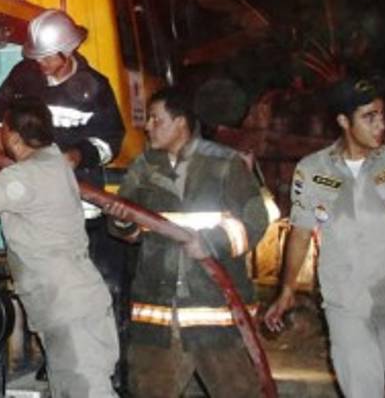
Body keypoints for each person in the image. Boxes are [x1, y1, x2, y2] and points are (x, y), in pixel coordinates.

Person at [0, 9, 128, 384]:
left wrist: (76, 156)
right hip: (34, 207)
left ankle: (98, 375)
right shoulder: (24, 78)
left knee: (86, 307)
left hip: (80, 211)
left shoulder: (94, 87)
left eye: (50, 58)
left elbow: (109, 141)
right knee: (62, 320)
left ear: (72, 49)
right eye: (37, 58)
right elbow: (4, 125)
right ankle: (65, 369)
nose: (44, 65)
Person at [264, 79, 385, 397]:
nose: (380, 124)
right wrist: (285, 290)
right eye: (369, 116)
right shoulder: (311, 171)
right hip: (344, 300)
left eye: (382, 114)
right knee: (360, 390)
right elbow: (300, 232)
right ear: (343, 121)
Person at [103, 87, 268, 398]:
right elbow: (126, 228)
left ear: (180, 122)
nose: (147, 126)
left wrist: (212, 242)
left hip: (217, 314)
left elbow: (256, 220)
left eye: (156, 119)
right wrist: (122, 221)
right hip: (159, 315)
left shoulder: (225, 164)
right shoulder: (144, 167)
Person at [0, 95, 119, 398]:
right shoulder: (51, 157)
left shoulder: (27, 176)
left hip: (69, 309)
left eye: (4, 131)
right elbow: (7, 143)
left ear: (15, 138)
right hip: (74, 302)